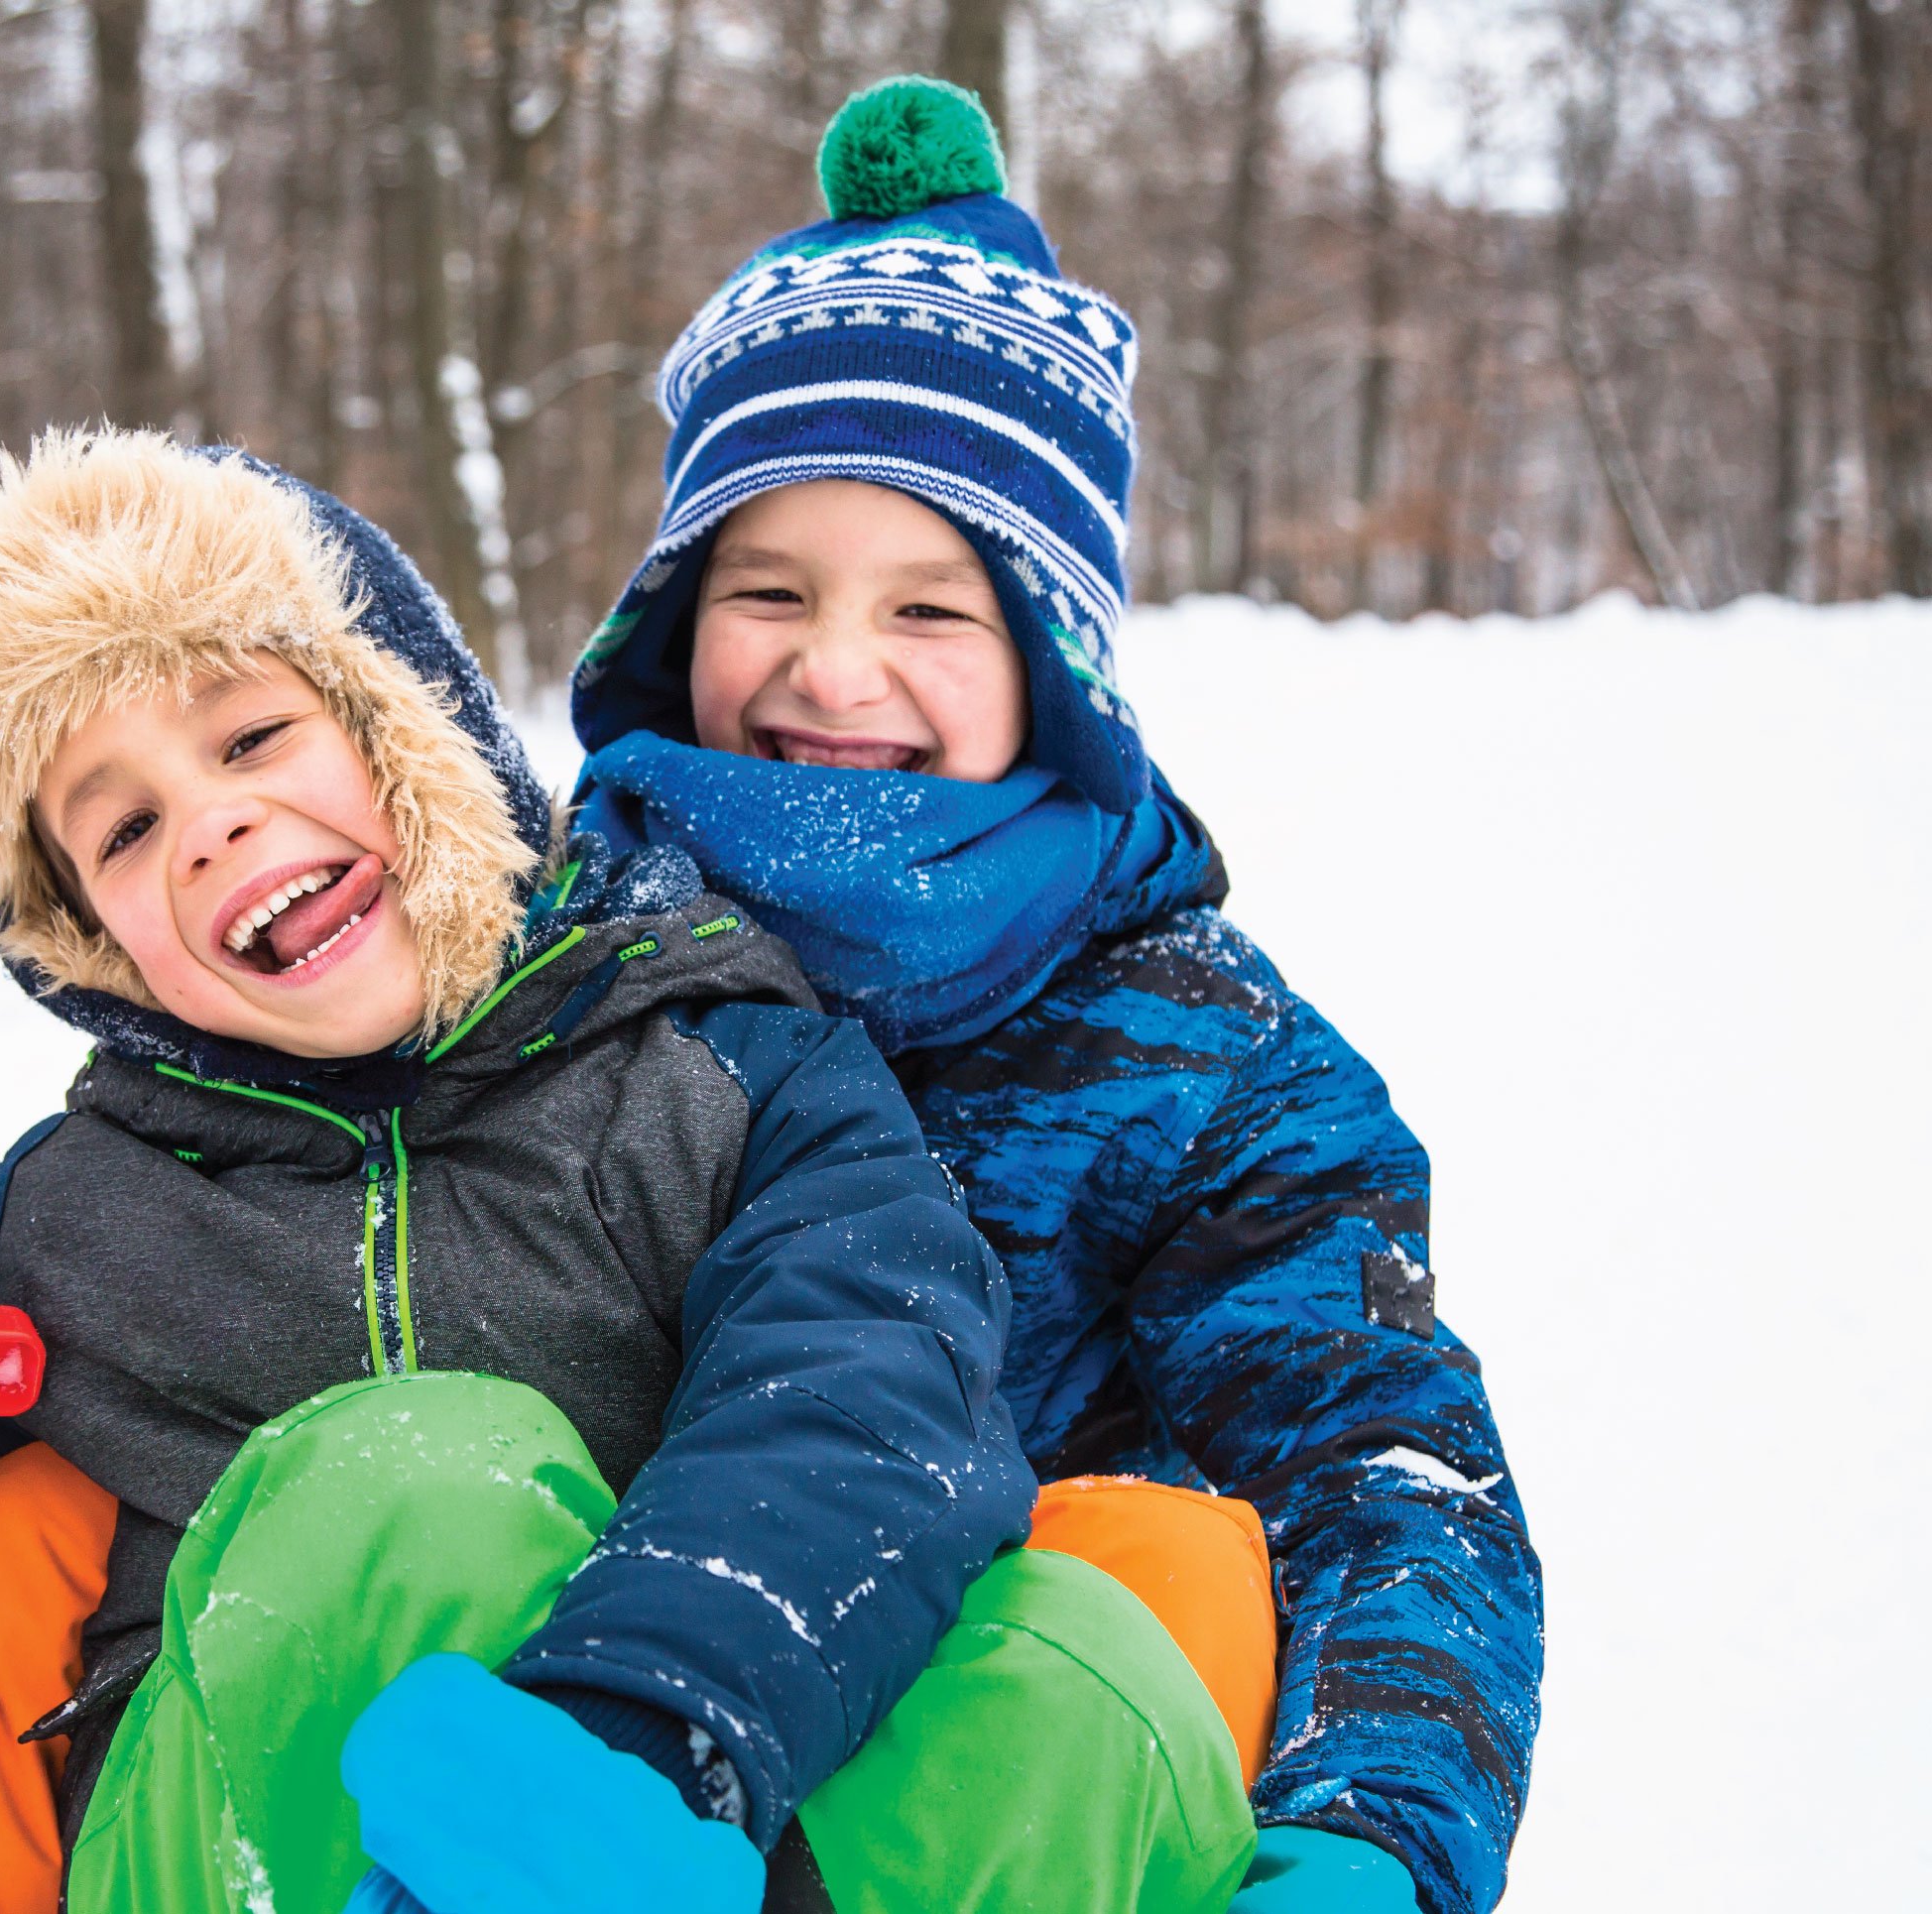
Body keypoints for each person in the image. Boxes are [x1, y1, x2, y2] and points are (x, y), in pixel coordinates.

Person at [0, 427, 1270, 1914]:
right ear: (92, 940)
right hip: (215, 1835)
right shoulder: (79, 1204)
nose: (212, 823)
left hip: (652, 1804)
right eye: (126, 827)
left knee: (1085, 1662)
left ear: (410, 732)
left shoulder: (720, 1071)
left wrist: (646, 1723)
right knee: (422, 1481)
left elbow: (862, 1389)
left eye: (249, 739)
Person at [564, 75, 1542, 1914]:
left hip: (1002, 1806)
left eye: (934, 610)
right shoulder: (547, 961)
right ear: (670, 628)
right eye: (766, 586)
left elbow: (1385, 1465)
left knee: (1145, 1564)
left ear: (1061, 669)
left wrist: (1375, 1827)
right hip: (591, 1778)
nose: (832, 664)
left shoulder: (1203, 1061)